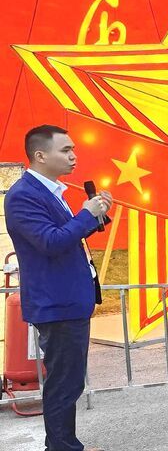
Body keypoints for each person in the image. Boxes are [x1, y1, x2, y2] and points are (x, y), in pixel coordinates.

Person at [4, 125, 112, 451]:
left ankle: (63, 444)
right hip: (56, 302)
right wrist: (86, 215)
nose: (73, 156)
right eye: (65, 150)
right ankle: (62, 448)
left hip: (69, 299)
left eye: (73, 149)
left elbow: (65, 236)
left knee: (69, 381)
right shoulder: (23, 195)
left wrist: (95, 216)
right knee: (64, 384)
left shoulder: (50, 191)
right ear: (40, 155)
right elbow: (50, 242)